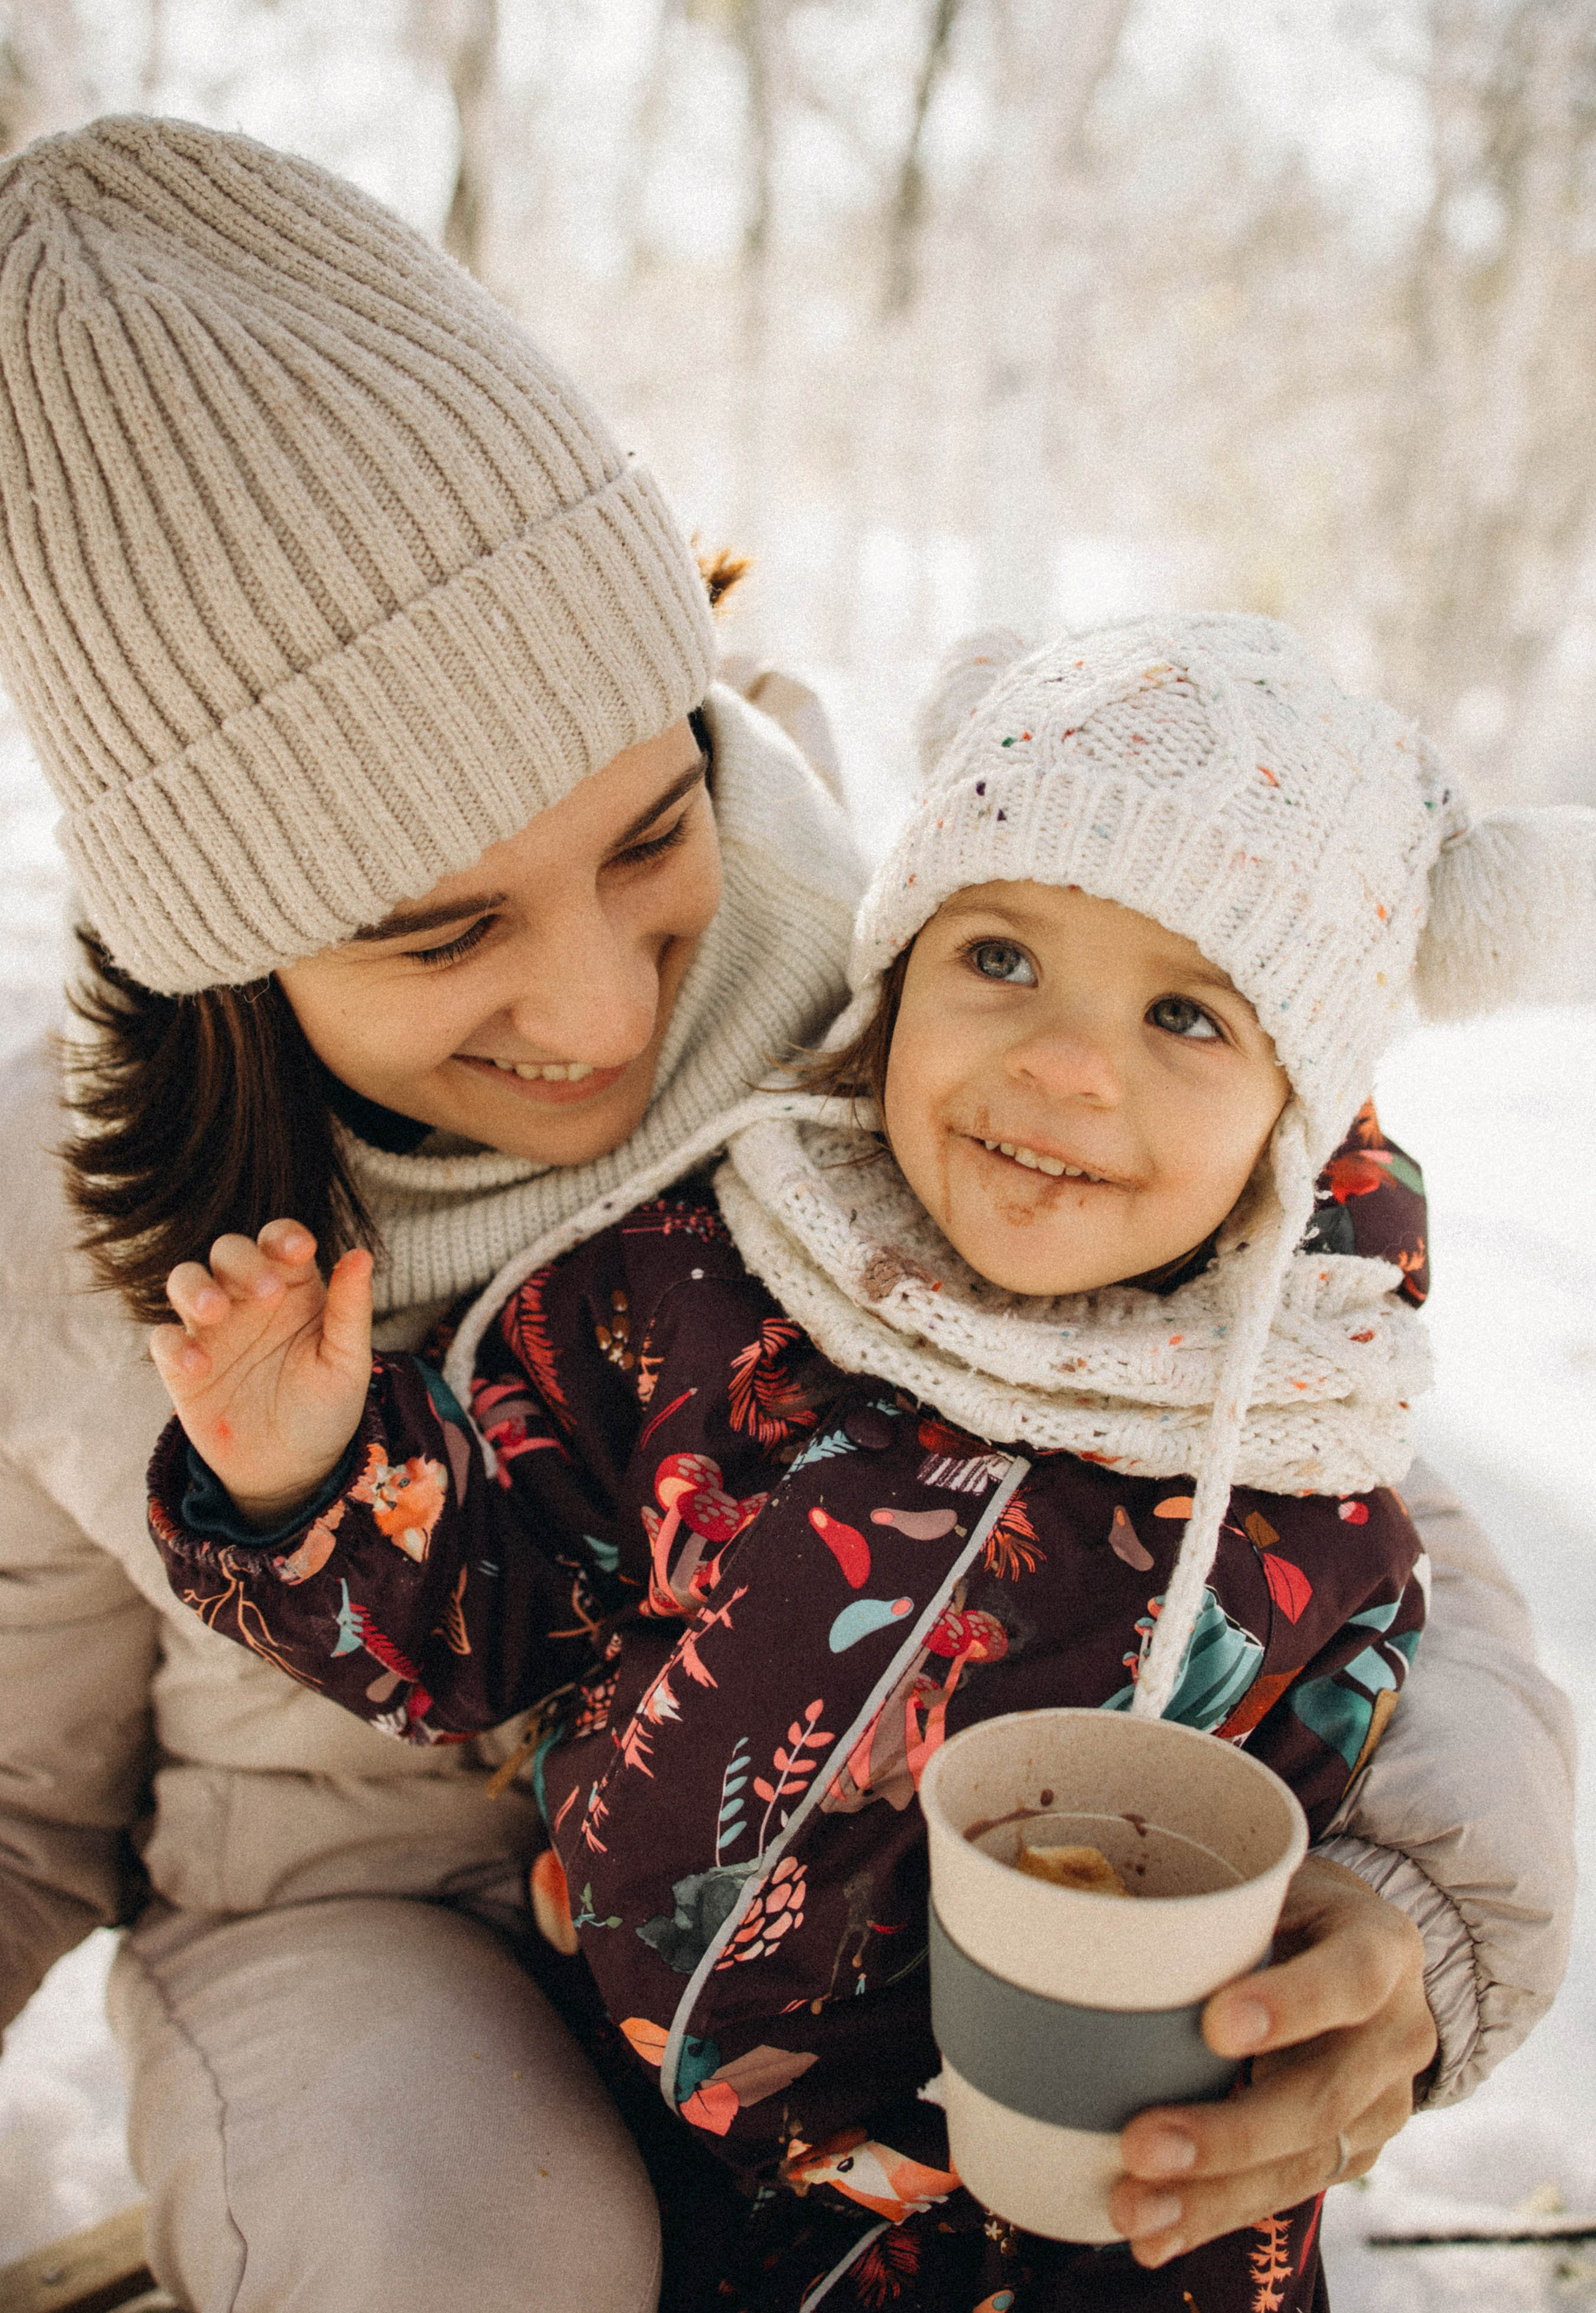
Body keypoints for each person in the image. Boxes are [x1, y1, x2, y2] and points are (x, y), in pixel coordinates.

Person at [0, 114, 1574, 2313]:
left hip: (903, 1959)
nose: (597, 1008)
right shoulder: (53, 1239)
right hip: (377, 1929)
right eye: (442, 934)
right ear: (228, 946)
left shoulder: (945, 1001)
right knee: (483, 2262)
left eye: (656, 830)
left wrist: (1418, 1928)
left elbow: (1337, 1476)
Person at [141, 613, 1593, 2311]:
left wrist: (1359, 1928)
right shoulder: (704, 1296)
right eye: (998, 958)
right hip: (638, 2087)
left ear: (1297, 1112)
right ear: (894, 975)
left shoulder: (1301, 1469)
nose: (1062, 1060)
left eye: (1188, 1013)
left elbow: (1369, 1782)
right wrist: (312, 1482)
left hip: (1074, 2199)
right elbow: (493, 1611)